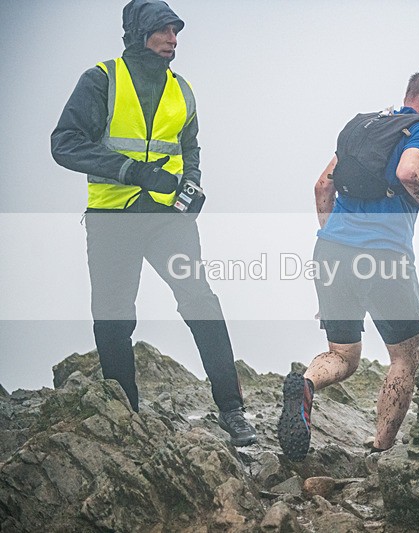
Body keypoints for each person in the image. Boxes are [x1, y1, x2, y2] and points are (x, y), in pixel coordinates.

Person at [50, 0, 257, 446]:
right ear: (139, 33)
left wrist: (193, 186)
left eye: (175, 31)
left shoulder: (182, 89)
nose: (173, 39)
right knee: (114, 316)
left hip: (168, 220)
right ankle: (126, 416)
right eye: (163, 30)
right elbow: (64, 143)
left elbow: (191, 147)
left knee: (200, 300)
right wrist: (132, 171)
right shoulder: (101, 80)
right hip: (111, 219)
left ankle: (233, 412)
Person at [277, 70, 419, 461]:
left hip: (331, 250)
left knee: (342, 356)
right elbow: (410, 172)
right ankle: (381, 448)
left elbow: (323, 184)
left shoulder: (362, 128)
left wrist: (335, 241)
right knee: (405, 357)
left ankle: (305, 384)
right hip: (385, 257)